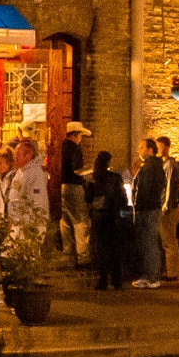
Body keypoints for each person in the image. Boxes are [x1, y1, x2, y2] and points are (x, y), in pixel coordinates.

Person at [89, 149, 131, 290]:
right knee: (114, 249)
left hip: (99, 217)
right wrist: (125, 215)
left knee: (101, 249)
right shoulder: (115, 177)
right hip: (113, 217)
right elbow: (122, 198)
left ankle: (102, 280)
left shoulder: (93, 178)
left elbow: (87, 198)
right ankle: (116, 280)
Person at [132, 138, 171, 289]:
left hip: (148, 209)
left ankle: (153, 277)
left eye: (141, 148)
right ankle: (148, 276)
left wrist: (138, 204)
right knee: (147, 242)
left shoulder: (150, 167)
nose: (139, 150)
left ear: (150, 150)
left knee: (149, 242)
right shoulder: (153, 166)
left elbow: (144, 189)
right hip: (150, 208)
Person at [59, 120, 92, 267]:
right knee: (80, 222)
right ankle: (83, 257)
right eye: (80, 135)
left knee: (65, 221)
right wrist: (90, 171)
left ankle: (68, 255)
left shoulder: (61, 147)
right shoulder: (75, 149)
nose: (81, 139)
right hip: (74, 186)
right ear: (75, 135)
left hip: (63, 186)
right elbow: (77, 171)